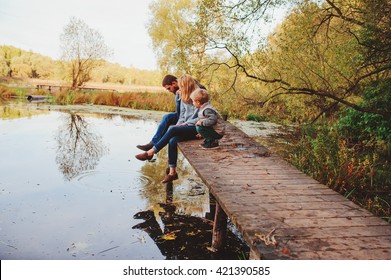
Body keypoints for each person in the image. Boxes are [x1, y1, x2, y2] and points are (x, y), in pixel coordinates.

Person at [135, 74, 200, 183]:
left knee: (172, 130)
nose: (179, 90)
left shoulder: (198, 97)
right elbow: (182, 115)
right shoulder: (182, 96)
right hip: (187, 126)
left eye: (182, 87)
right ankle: (172, 173)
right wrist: (180, 124)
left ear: (187, 86)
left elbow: (201, 117)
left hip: (198, 128)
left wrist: (184, 124)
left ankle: (151, 152)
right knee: (172, 140)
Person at [136, 74, 180, 151]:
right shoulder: (179, 92)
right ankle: (153, 143)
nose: (169, 91)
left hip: (190, 118)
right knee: (166, 117)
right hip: (181, 115)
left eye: (169, 88)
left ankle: (153, 149)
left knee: (172, 132)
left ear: (174, 83)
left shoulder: (188, 87)